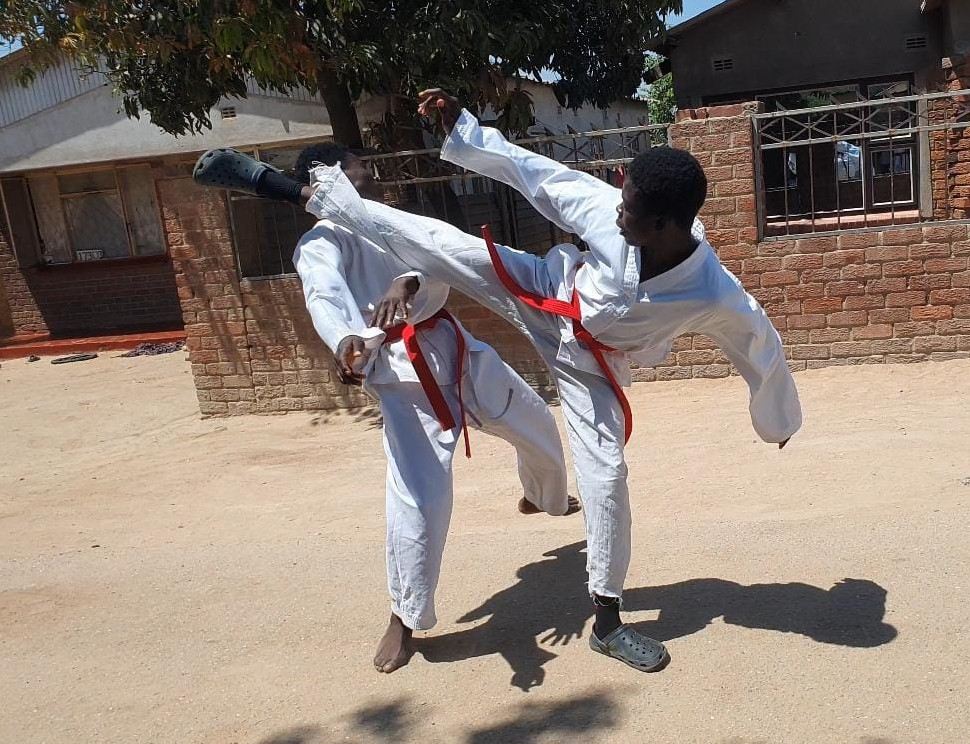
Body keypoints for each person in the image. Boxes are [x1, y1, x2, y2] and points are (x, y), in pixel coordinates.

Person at [193, 90, 802, 672]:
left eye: (631, 208)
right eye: (620, 195)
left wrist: (776, 420)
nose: (616, 209)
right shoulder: (609, 209)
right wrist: (466, 129)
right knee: (434, 241)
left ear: (667, 224)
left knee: (607, 478)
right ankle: (294, 190)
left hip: (591, 365)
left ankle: (609, 621)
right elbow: (531, 172)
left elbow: (761, 348)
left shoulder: (717, 293)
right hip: (541, 289)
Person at [194, 142, 579, 674]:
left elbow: (439, 260)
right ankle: (404, 616)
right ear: (326, 178)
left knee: (534, 420)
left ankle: (545, 496)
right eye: (358, 166)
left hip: (455, 345)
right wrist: (347, 339)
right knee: (420, 499)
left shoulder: (392, 220)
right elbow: (324, 296)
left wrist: (411, 280)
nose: (370, 171)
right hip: (401, 375)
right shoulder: (320, 241)